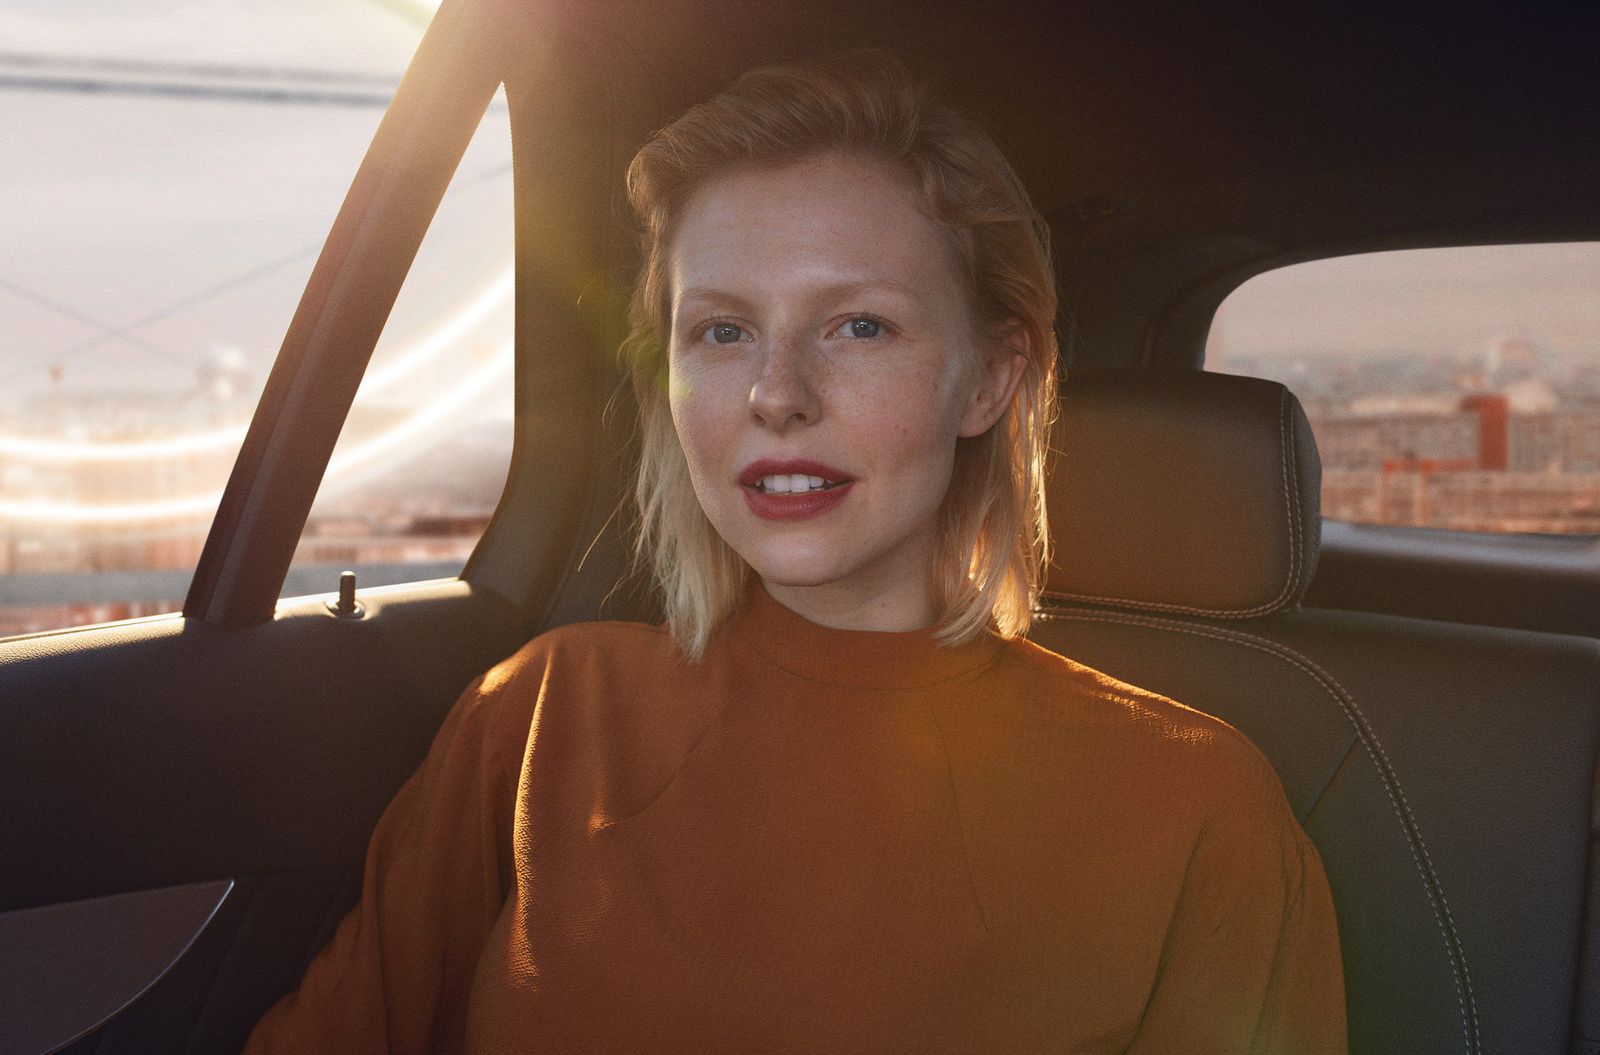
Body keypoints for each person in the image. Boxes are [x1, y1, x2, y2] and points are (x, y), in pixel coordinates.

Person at [243, 49, 1346, 1054]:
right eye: (721, 330)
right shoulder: (541, 715)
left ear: (988, 378)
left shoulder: (1194, 807)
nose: (775, 395)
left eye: (856, 325)